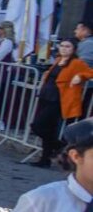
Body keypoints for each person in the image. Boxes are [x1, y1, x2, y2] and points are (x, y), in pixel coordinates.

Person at [29, 39, 93, 168]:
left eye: (68, 46)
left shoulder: (76, 63)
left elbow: (90, 72)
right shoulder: (58, 61)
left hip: (59, 100)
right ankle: (45, 158)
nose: (64, 48)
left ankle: (59, 146)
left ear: (73, 49)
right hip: (47, 96)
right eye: (62, 46)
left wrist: (80, 76)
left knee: (38, 126)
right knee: (47, 128)